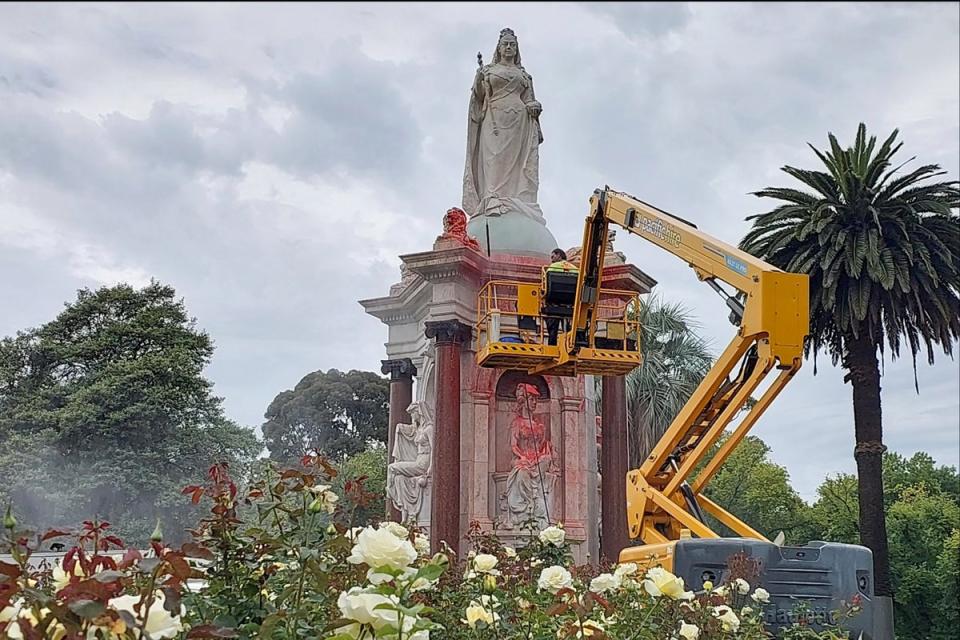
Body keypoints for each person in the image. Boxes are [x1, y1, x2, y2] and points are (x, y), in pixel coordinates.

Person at [462, 28, 545, 223]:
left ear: (517, 49)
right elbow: (479, 98)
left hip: (519, 122)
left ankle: (516, 201)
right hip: (494, 119)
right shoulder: (488, 71)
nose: (509, 47)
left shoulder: (524, 75)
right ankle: (492, 200)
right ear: (498, 48)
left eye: (512, 45)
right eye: (505, 44)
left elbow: (529, 100)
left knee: (517, 162)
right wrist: (478, 81)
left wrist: (534, 107)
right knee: (495, 159)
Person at [545, 248, 578, 345]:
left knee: (552, 326)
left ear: (559, 255)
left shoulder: (552, 267)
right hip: (571, 304)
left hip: (554, 303)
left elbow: (546, 285)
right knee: (570, 327)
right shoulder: (575, 269)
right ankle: (570, 343)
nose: (551, 259)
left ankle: (552, 344)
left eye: (553, 256)